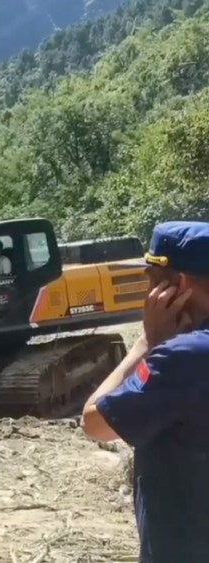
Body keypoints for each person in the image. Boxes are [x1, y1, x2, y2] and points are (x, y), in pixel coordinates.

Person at [81, 221, 209, 562]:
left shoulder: (183, 358)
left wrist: (146, 344)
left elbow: (95, 422)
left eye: (150, 280)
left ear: (176, 285)